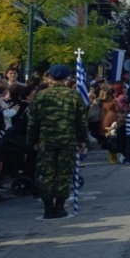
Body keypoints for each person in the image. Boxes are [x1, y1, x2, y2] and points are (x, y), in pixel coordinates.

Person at [26, 65, 89, 220]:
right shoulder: (73, 96)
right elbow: (81, 121)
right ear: (66, 78)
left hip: (46, 140)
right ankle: (59, 207)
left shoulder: (41, 96)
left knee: (47, 174)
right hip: (67, 140)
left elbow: (33, 122)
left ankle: (48, 208)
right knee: (63, 173)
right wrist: (82, 139)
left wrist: (32, 141)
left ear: (50, 77)